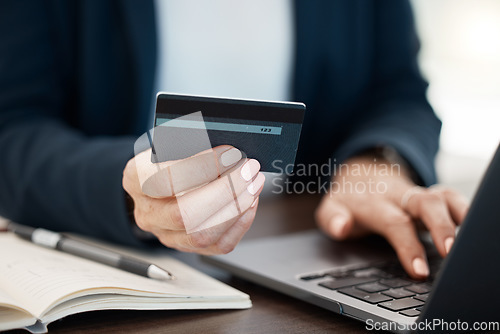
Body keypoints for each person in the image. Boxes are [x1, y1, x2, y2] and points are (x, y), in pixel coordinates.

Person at [0, 0, 468, 279]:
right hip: (128, 268)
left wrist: (377, 161)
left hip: (311, 256)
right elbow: (13, 128)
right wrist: (128, 191)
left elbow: (399, 91)